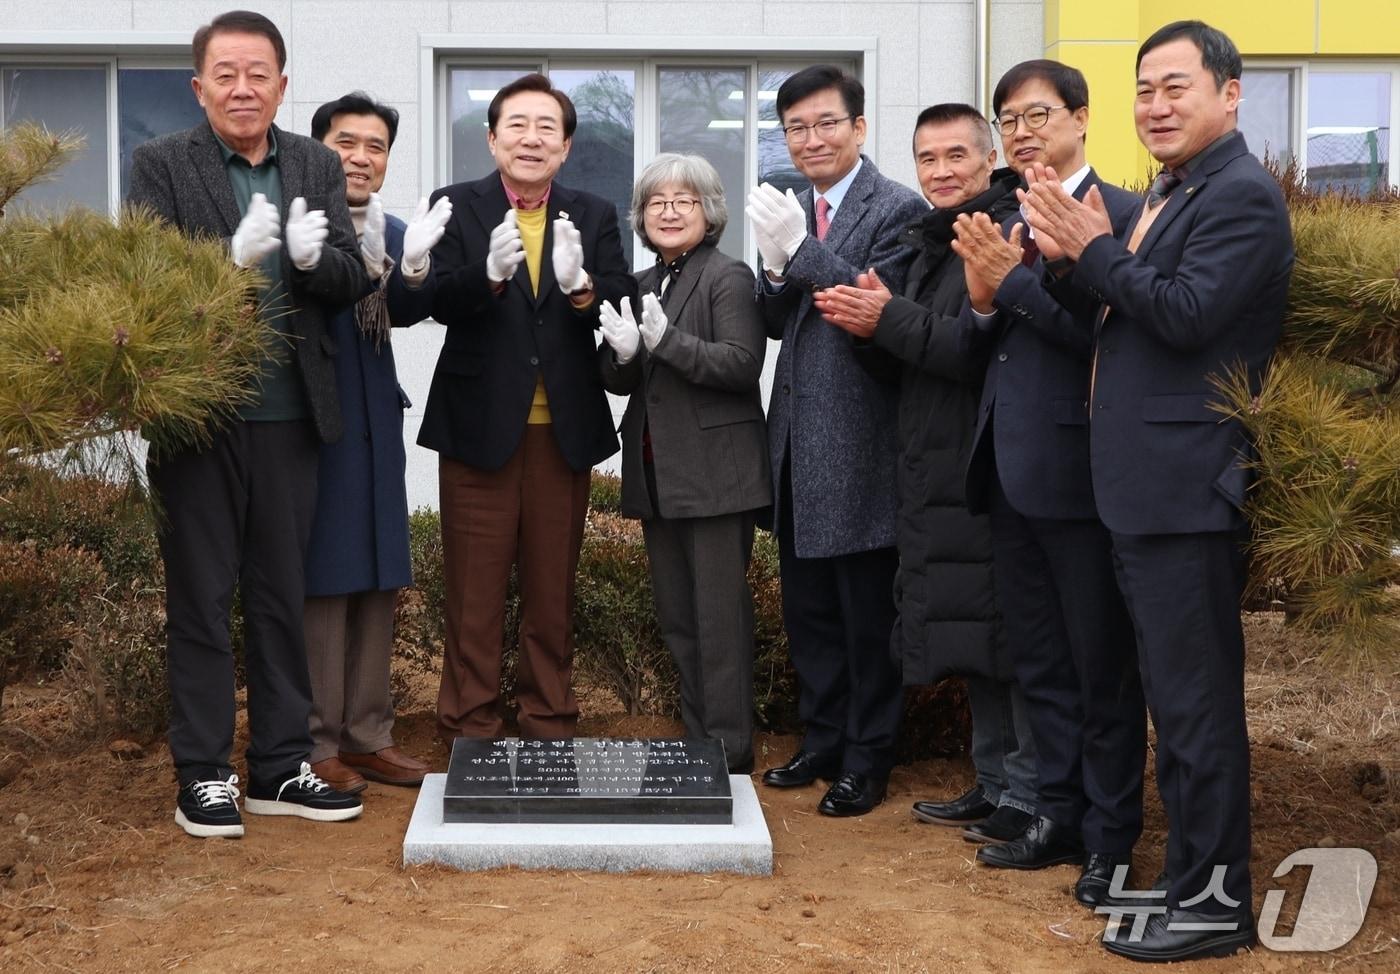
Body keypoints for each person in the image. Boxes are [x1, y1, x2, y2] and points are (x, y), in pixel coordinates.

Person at [1019, 20, 1292, 962]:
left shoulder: (1241, 196)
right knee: (1174, 713)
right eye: (1144, 89)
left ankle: (1215, 906)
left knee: (1197, 712)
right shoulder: (1176, 191)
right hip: (1140, 491)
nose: (1157, 106)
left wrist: (1094, 249)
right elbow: (1118, 315)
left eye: (1177, 87)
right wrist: (1060, 262)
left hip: (1184, 493)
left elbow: (1184, 315)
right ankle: (1187, 887)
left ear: (1230, 93)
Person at [127, 9, 367, 838]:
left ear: (282, 85)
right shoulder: (160, 163)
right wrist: (224, 265)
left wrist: (309, 260)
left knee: (279, 598)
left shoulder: (315, 163)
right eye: (225, 74)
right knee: (200, 599)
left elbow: (352, 279)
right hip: (198, 418)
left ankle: (278, 765)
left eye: (257, 74)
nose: (242, 88)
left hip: (293, 415)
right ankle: (203, 773)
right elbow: (144, 282)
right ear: (199, 87)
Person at [943, 61, 1146, 904]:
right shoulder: (1000, 219)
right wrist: (983, 300)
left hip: (1083, 476)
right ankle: (1056, 814)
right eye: (1009, 120)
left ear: (1082, 118)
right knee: (1040, 662)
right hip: (1008, 470)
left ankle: (1110, 838)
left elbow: (1107, 339)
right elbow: (977, 344)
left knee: (1101, 668)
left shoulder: (1124, 216)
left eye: (1038, 115)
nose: (1022, 133)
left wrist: (1017, 285)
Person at [813, 103, 1037, 841]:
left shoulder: (1007, 229)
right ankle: (994, 780)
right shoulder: (933, 239)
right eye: (927, 159)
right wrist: (868, 327)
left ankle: (1028, 792)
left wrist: (886, 320)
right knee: (973, 629)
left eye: (956, 156)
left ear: (989, 157)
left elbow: (971, 348)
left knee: (1007, 634)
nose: (940, 172)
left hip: (986, 460)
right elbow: (910, 351)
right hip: (934, 458)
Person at [419, 73, 636, 744]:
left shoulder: (593, 213)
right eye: (517, 125)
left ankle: (548, 720)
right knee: (474, 593)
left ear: (566, 147)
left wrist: (582, 288)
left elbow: (621, 299)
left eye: (548, 128)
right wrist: (485, 276)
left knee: (551, 591)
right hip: (477, 429)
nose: (531, 138)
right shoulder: (456, 204)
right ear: (492, 138)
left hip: (561, 433)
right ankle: (470, 725)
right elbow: (437, 301)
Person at [745, 65, 927, 816]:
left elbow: (869, 304)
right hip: (796, 439)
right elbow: (773, 321)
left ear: (859, 127)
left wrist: (799, 254)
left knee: (866, 616)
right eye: (796, 127)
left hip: (859, 440)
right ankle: (821, 739)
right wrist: (773, 269)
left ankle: (868, 756)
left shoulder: (899, 208)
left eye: (826, 123)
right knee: (811, 613)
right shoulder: (794, 206)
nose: (811, 139)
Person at [597, 154, 770, 775]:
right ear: (641, 216)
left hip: (717, 476)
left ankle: (728, 752)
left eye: (684, 201)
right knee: (679, 620)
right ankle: (701, 741)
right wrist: (622, 355)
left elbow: (741, 364)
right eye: (657, 202)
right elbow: (623, 378)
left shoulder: (729, 276)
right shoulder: (642, 282)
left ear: (709, 211)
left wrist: (667, 342)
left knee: (718, 622)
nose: (669, 212)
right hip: (658, 475)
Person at [300, 92, 451, 794]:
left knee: (378, 573)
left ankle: (368, 735)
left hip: (375, 422)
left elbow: (413, 310)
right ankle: (315, 740)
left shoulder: (391, 228)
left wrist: (412, 267)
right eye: (346, 142)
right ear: (318, 149)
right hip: (316, 424)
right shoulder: (301, 224)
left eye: (376, 146)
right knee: (325, 577)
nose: (361, 157)